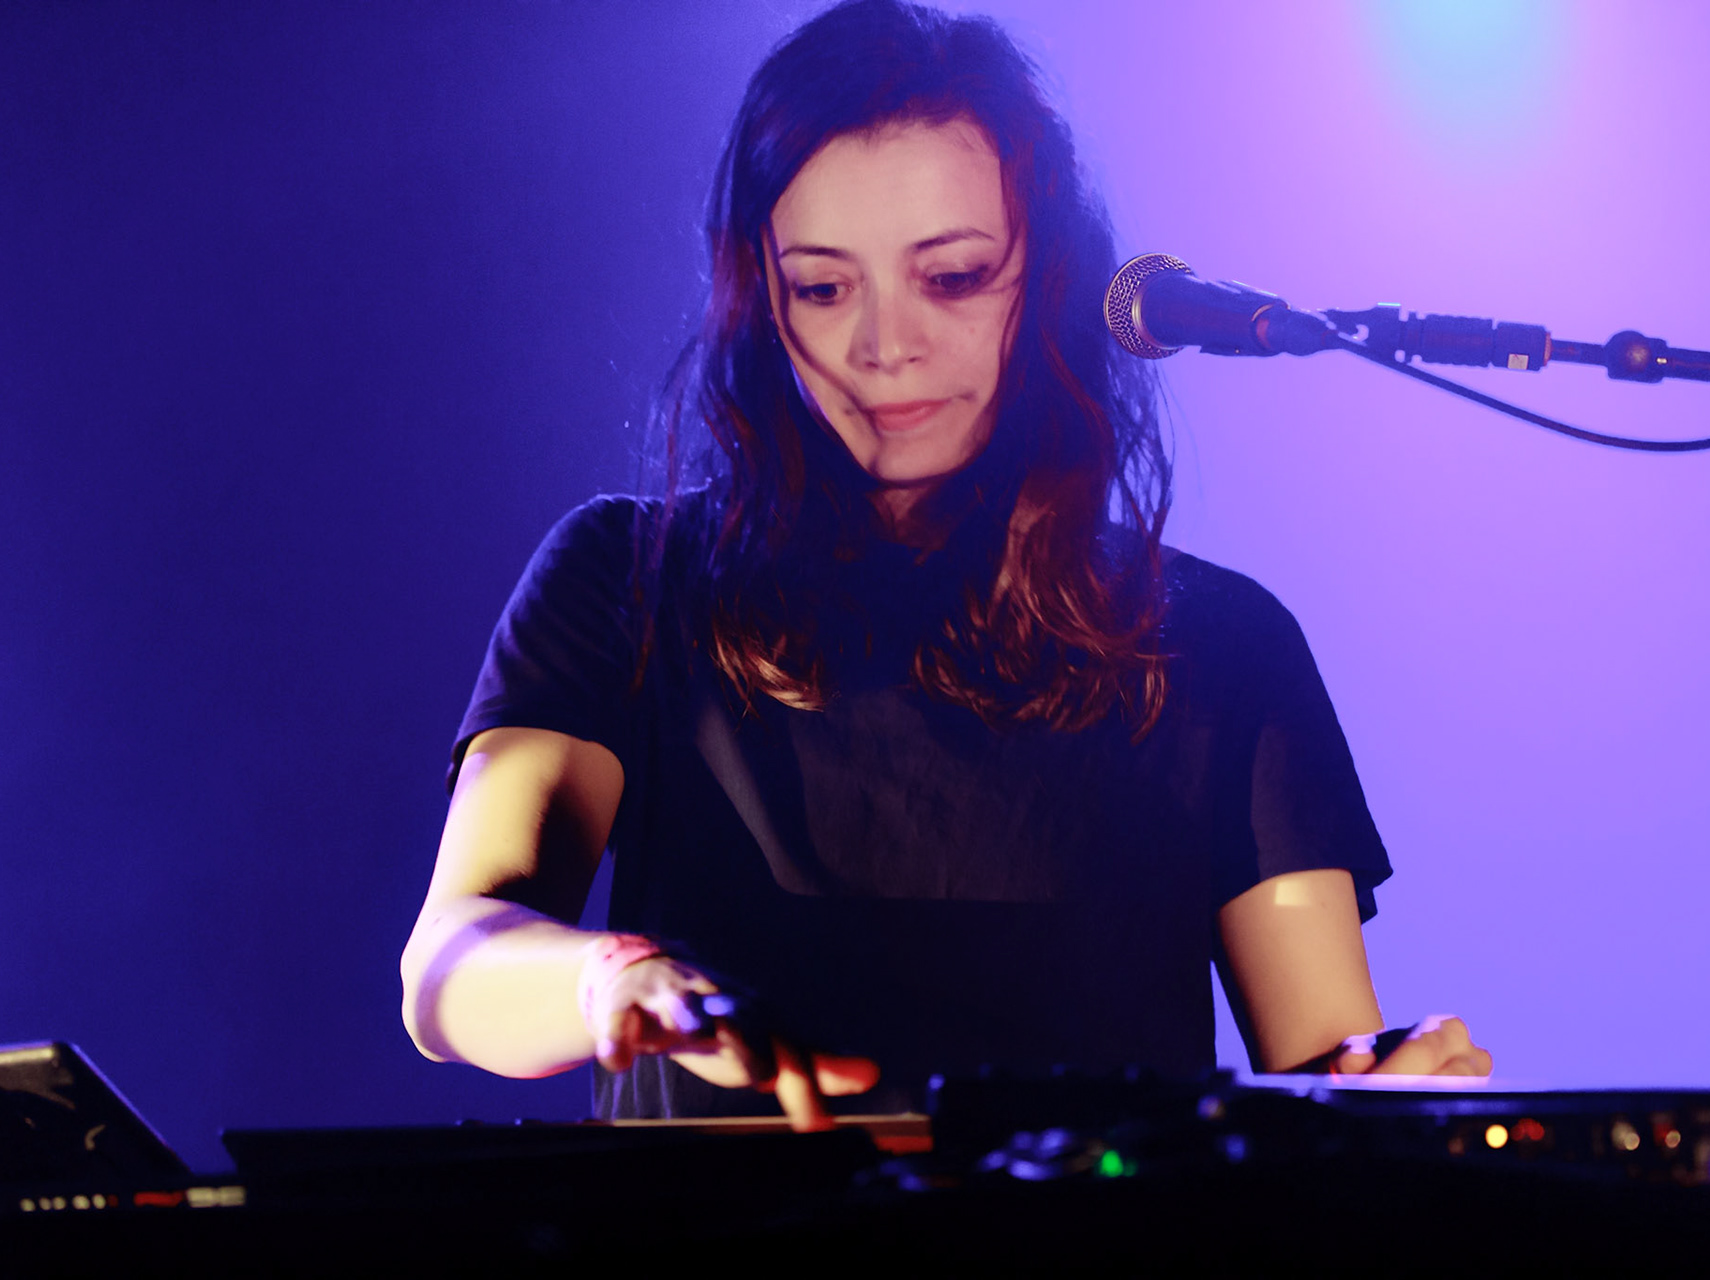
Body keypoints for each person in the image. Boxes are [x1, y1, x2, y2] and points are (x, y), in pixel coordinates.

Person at [399, 0, 1490, 1130]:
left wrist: (1386, 1092)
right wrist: (601, 980)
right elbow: (447, 966)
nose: (884, 346)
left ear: (1049, 281)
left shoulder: (1220, 643)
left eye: (955, 277)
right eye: (822, 288)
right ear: (757, 299)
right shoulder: (624, 577)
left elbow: (1324, 1069)